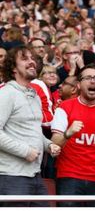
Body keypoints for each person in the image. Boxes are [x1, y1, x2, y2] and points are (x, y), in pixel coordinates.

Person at [51, 64, 95, 207]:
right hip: (69, 176)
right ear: (78, 84)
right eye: (88, 78)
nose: (92, 81)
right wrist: (68, 133)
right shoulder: (65, 107)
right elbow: (54, 143)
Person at [0, 45, 61, 207]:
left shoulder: (33, 95)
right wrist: (25, 151)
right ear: (13, 68)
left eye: (32, 58)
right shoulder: (6, 94)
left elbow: (32, 130)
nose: (32, 62)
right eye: (25, 59)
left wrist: (48, 145)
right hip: (11, 177)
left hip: (35, 175)